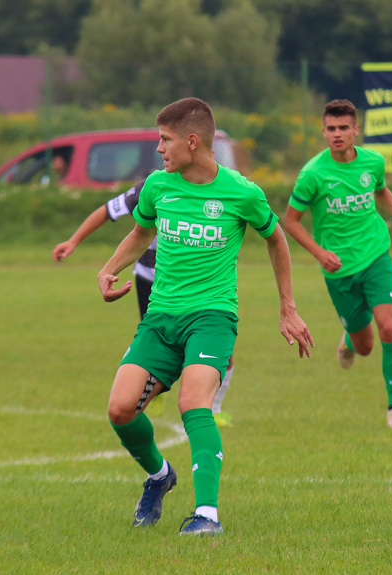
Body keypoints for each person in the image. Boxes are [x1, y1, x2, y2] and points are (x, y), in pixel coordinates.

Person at [98, 97, 314, 536]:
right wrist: (108, 269)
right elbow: (140, 233)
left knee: (193, 402)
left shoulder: (242, 192)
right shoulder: (160, 186)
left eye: (165, 140)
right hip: (160, 319)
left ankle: (207, 516)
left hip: (212, 318)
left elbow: (276, 240)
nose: (159, 149)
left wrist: (287, 307)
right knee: (120, 410)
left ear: (192, 142)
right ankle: (160, 476)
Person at [52, 180, 237, 427]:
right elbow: (107, 210)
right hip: (152, 281)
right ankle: (153, 393)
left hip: (200, 287)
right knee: (157, 346)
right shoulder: (152, 186)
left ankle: (214, 409)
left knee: (223, 352)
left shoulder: (222, 189)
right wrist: (73, 241)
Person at [282, 99, 392, 430]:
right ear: (323, 132)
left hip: (375, 255)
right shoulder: (312, 175)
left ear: (356, 130)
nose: (337, 134)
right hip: (338, 269)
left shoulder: (373, 161)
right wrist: (319, 253)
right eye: (331, 129)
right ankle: (350, 340)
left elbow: (380, 190)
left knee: (389, 327)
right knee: (366, 345)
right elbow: (291, 222)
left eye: (344, 128)